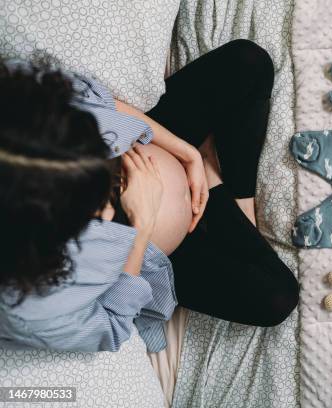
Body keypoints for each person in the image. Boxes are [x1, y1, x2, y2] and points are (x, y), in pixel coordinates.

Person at [0, 40, 298, 353]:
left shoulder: (22, 107)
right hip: (155, 256)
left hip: (154, 145)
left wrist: (184, 152)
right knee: (275, 298)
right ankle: (217, 183)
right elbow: (111, 323)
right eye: (96, 211)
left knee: (248, 62)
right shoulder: (29, 311)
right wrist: (141, 226)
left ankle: (233, 190)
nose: (104, 211)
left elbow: (99, 102)